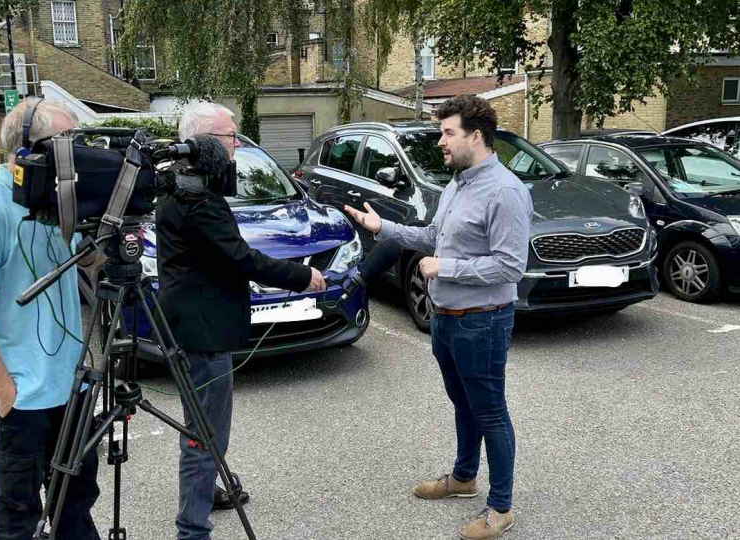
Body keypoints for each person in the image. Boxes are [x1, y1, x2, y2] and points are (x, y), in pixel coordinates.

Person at [344, 95, 533, 540]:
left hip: (482, 321)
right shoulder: (457, 184)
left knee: (491, 412)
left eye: (448, 133)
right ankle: (464, 479)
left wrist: (445, 267)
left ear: (477, 136)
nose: (441, 143)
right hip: (446, 318)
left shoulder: (505, 191)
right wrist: (383, 230)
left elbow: (511, 266)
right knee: (462, 403)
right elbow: (432, 236)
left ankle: (501, 508)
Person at [155, 101, 327, 540]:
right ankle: (192, 529)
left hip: (196, 320)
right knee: (205, 431)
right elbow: (239, 258)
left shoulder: (184, 184)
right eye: (231, 137)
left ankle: (206, 490)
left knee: (204, 424)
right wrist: (302, 276)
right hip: (203, 329)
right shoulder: (197, 199)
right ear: (204, 143)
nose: (237, 145)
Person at [0, 97, 100, 540]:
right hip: (19, 394)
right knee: (18, 511)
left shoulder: (59, 207)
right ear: (27, 151)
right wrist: (2, 388)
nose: (76, 153)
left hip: (67, 384)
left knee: (75, 499)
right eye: (65, 143)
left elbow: (89, 267)